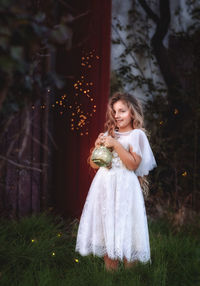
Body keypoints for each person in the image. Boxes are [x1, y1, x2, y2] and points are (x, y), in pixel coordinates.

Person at [75, 92, 157, 271]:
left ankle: (130, 275)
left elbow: (133, 165)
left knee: (126, 226)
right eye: (114, 111)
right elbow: (95, 165)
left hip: (125, 187)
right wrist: (97, 148)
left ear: (132, 113)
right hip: (104, 186)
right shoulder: (109, 134)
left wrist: (116, 145)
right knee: (107, 225)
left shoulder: (136, 135)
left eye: (122, 111)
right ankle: (110, 273)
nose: (117, 115)